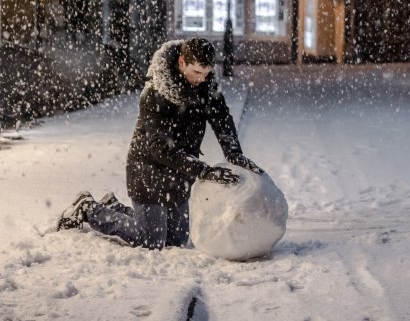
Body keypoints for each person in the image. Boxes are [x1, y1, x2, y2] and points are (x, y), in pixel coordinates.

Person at [57, 38, 263, 249]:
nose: (202, 79)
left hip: (179, 171)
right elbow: (159, 148)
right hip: (148, 170)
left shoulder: (205, 87)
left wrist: (233, 152)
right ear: (182, 62)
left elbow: (221, 117)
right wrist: (202, 170)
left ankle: (114, 206)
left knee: (177, 241)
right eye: (197, 72)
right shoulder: (156, 94)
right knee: (151, 240)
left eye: (207, 73)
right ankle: (88, 208)